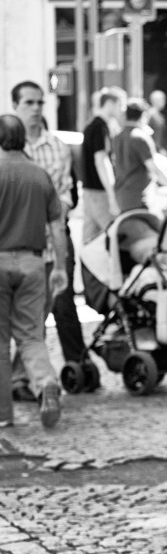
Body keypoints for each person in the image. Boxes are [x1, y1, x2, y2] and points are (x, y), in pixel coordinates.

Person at [11, 80, 87, 401]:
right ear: (15, 106)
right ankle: (27, 379)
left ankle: (23, 379)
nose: (36, 109)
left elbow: (67, 189)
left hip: (52, 238)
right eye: (28, 103)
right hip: (15, 241)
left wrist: (57, 210)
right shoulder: (7, 147)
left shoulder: (57, 146)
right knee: (23, 316)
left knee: (45, 308)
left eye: (40, 103)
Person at [0, 114, 67, 428]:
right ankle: (46, 382)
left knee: (0, 342)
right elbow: (58, 228)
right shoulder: (40, 175)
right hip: (33, 263)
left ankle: (2, 415)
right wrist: (62, 268)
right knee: (31, 336)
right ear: (22, 140)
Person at [112, 97, 167, 215]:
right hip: (139, 200)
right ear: (144, 115)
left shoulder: (118, 137)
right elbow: (156, 169)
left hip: (122, 198)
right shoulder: (140, 137)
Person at [81, 87, 124, 246]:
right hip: (99, 191)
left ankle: (87, 269)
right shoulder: (99, 127)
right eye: (121, 105)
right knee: (110, 235)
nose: (122, 110)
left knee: (91, 237)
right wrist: (112, 195)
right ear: (111, 104)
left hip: (91, 190)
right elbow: (101, 161)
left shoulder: (94, 125)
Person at [148, 89, 167, 154]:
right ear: (156, 100)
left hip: (162, 149)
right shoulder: (149, 115)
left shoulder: (161, 116)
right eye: (163, 99)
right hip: (155, 151)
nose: (164, 102)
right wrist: (159, 148)